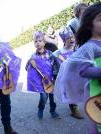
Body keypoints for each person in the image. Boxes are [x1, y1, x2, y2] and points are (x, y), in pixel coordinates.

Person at [55, 3, 101, 133]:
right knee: (96, 126)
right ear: (89, 25)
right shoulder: (89, 46)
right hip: (94, 94)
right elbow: (82, 69)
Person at [26, 31, 60, 120]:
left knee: (52, 98)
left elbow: (56, 64)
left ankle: (53, 111)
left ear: (44, 43)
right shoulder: (33, 56)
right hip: (41, 82)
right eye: (36, 41)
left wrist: (55, 76)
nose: (38, 43)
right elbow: (28, 69)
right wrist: (29, 63)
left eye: (40, 41)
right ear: (34, 44)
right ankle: (41, 109)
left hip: (51, 80)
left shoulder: (50, 54)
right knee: (44, 98)